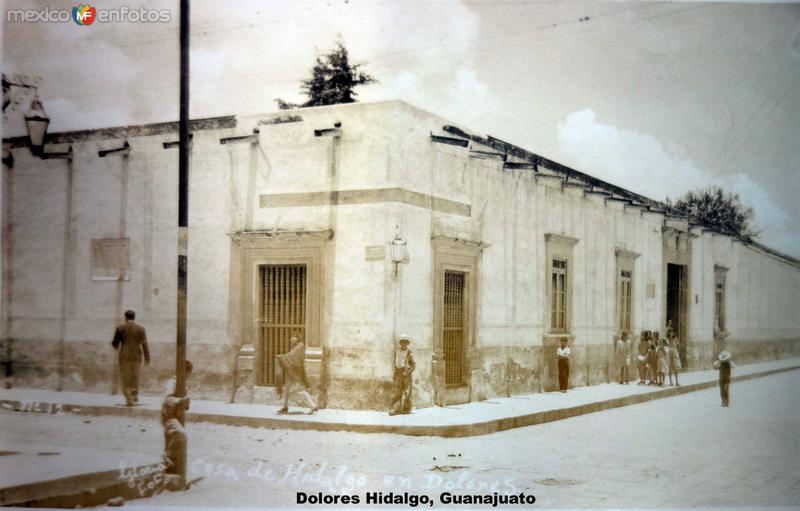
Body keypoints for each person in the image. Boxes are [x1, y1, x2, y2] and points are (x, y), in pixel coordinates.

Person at [161, 360, 192, 487]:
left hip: (176, 416)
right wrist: (180, 401)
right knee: (181, 434)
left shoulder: (183, 385)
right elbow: (167, 399)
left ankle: (170, 469)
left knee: (174, 439)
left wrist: (186, 402)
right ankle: (167, 458)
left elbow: (185, 405)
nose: (188, 377)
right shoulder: (172, 383)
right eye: (187, 374)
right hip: (169, 416)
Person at [111, 310, 150, 406]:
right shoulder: (141, 329)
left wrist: (116, 344)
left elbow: (115, 344)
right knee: (135, 375)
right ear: (134, 317)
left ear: (125, 317)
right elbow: (145, 344)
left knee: (125, 377)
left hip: (124, 355)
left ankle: (129, 397)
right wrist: (147, 358)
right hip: (137, 355)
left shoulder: (120, 328)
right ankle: (134, 393)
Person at [276, 336, 318, 415]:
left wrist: (281, 357)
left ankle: (313, 406)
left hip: (295, 372)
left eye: (293, 338)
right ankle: (285, 407)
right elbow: (290, 356)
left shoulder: (299, 347)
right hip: (291, 371)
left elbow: (290, 356)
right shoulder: (296, 347)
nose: (291, 340)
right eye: (291, 338)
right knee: (287, 390)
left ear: (297, 339)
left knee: (299, 390)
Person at [389, 335, 416, 415]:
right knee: (397, 391)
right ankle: (396, 409)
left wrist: (408, 372)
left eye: (405, 342)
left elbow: (413, 365)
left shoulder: (410, 353)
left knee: (407, 391)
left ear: (408, 344)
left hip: (406, 373)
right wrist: (394, 372)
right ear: (400, 343)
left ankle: (406, 409)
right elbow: (394, 362)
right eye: (402, 342)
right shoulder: (397, 352)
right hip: (398, 372)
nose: (403, 344)